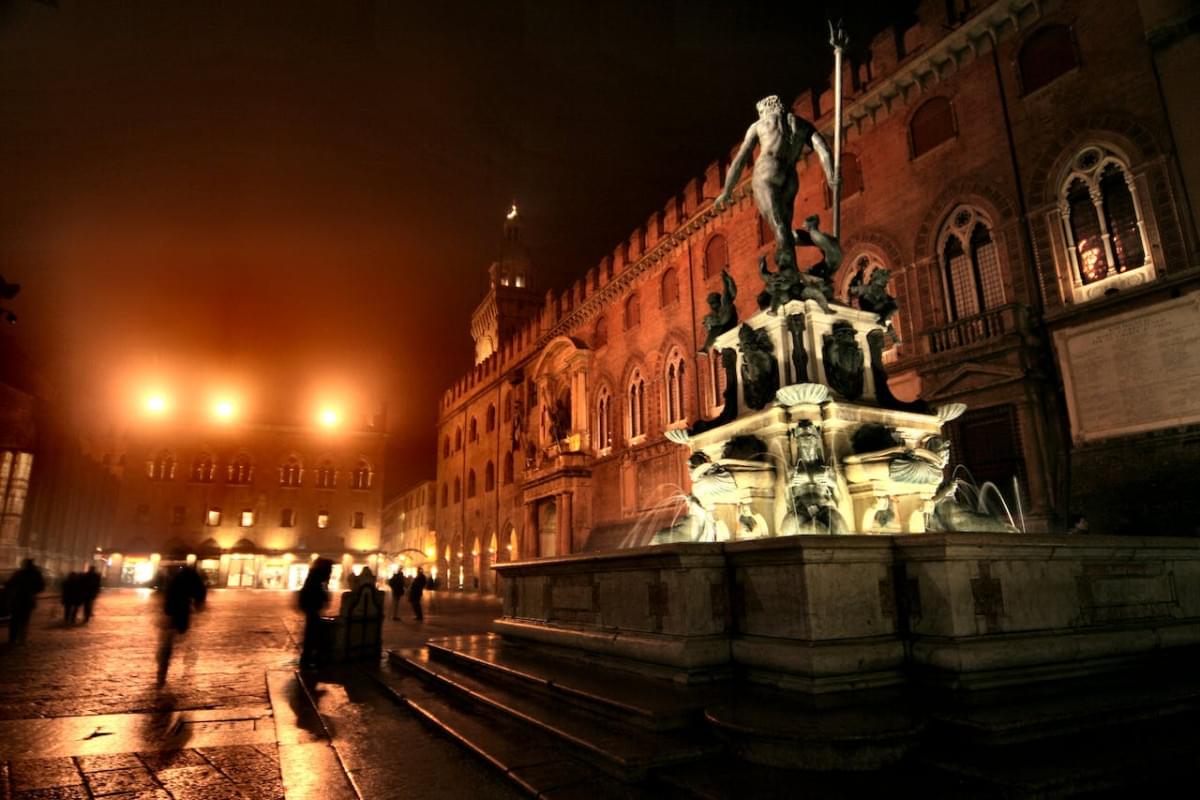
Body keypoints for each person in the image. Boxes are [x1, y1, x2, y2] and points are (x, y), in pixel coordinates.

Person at [715, 95, 837, 273]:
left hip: (767, 172)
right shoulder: (801, 124)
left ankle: (789, 273)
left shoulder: (759, 125)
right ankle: (815, 240)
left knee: (778, 225)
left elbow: (740, 160)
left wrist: (726, 191)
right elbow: (823, 150)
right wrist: (832, 176)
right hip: (790, 176)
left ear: (763, 110)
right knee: (784, 227)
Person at [156, 565, 207, 685]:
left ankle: (163, 665)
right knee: (178, 637)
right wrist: (198, 605)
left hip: (170, 611)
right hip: (181, 612)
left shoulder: (175, 579)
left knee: (168, 640)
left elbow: (166, 594)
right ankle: (180, 662)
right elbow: (200, 592)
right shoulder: (192, 578)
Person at [298, 558, 333, 669]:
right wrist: (325, 597)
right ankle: (309, 657)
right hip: (312, 606)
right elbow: (318, 591)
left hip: (311, 606)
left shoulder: (314, 575)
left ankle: (309, 656)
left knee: (312, 630)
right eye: (330, 568)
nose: (331, 571)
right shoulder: (318, 576)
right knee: (313, 631)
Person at [6, 558, 45, 645]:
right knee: (24, 620)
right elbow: (41, 586)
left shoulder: (19, 573)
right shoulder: (36, 574)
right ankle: (21, 639)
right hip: (27, 600)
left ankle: (12, 639)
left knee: (15, 620)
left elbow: (9, 584)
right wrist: (33, 592)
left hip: (18, 599)